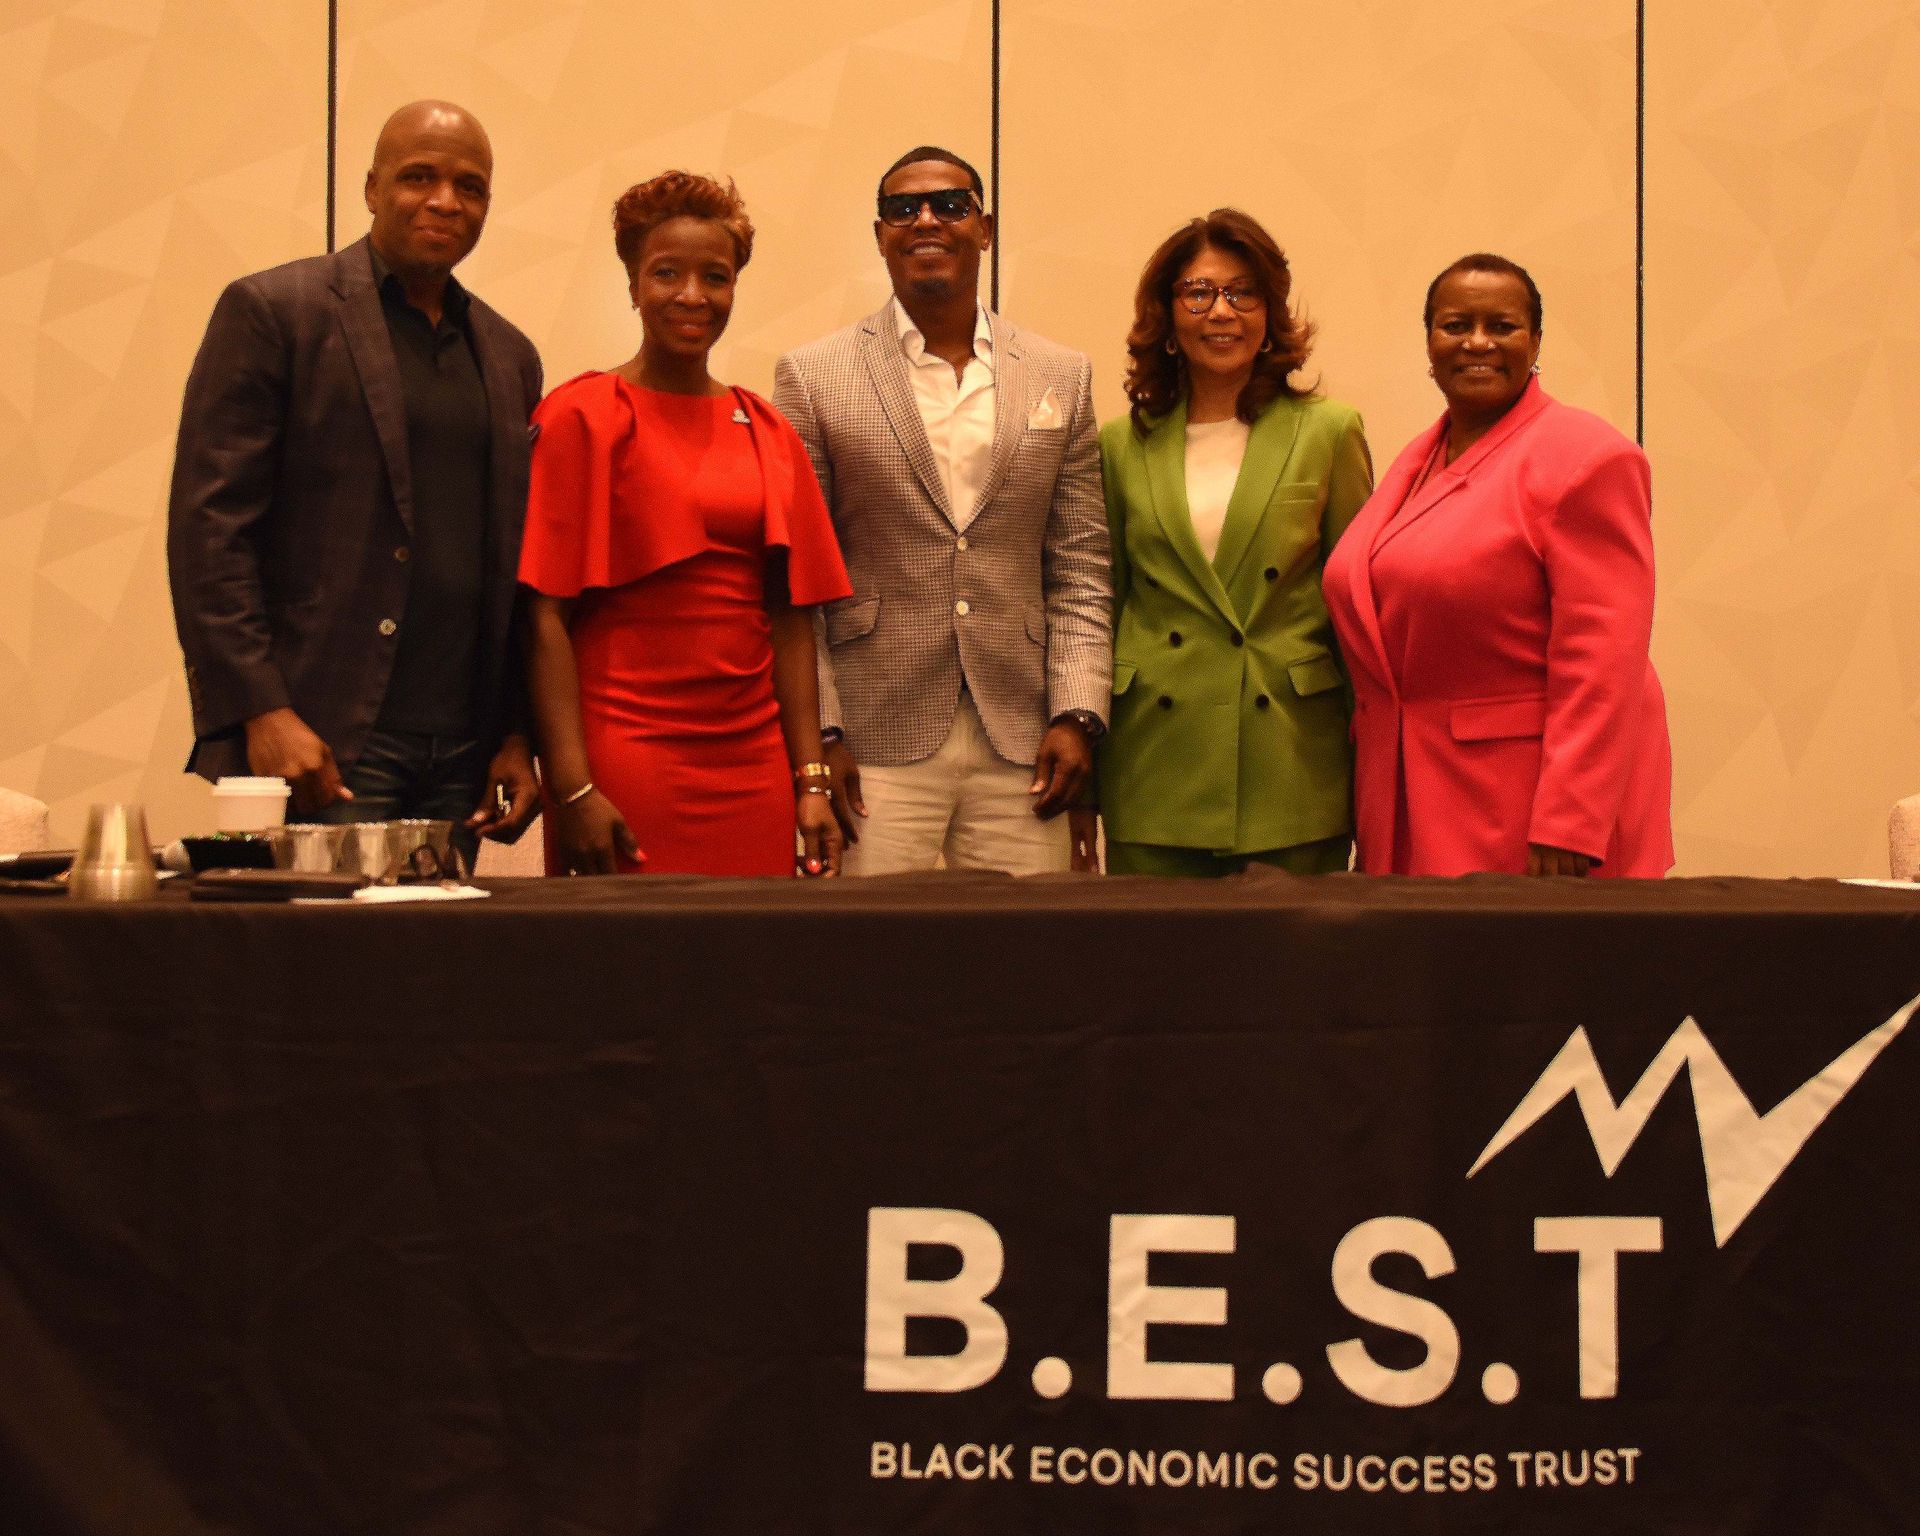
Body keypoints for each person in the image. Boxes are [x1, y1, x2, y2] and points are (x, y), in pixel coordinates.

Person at [168, 100, 543, 864]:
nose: (445, 201)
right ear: (372, 188)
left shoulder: (510, 355)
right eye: (419, 177)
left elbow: (511, 559)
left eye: (470, 187)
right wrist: (261, 709)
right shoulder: (276, 313)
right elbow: (210, 533)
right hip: (323, 741)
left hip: (463, 754)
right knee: (324, 945)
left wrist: (515, 732)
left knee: (442, 947)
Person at [772, 146, 1111, 876]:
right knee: (868, 941)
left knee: (1031, 940)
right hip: (871, 738)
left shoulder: (1062, 373)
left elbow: (1081, 567)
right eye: (904, 209)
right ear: (880, 236)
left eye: (951, 205)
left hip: (1025, 739)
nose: (926, 219)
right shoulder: (813, 375)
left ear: (984, 228)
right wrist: (822, 736)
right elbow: (801, 579)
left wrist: (1077, 713)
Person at [519, 173, 851, 877]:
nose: (692, 295)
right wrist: (572, 786)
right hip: (625, 749)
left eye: (715, 277)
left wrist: (811, 781)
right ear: (633, 285)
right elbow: (543, 617)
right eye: (667, 273)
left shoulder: (766, 428)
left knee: (753, 944)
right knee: (629, 945)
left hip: (754, 759)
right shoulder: (582, 415)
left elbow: (791, 620)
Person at [1322, 253, 1673, 877]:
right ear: (1429, 343)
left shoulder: (1587, 457)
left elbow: (1603, 659)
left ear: (1535, 342)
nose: (1477, 342)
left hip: (1523, 813)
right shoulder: (1420, 458)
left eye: (1502, 326)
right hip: (1413, 794)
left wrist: (1570, 819)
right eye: (1456, 325)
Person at [1089, 210, 1372, 875]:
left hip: (1292, 758)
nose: (1222, 312)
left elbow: (1355, 608)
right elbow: (1105, 603)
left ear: (1271, 313)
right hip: (1155, 758)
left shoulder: (1329, 432)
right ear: (1167, 315)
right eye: (1199, 293)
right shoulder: (1121, 444)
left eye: (1244, 293)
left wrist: (1372, 767)